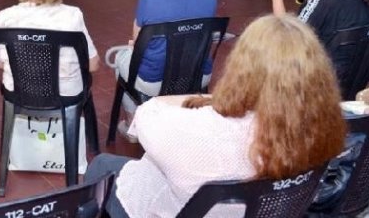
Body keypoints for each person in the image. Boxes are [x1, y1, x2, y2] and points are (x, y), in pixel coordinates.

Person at [85, 14, 347, 218]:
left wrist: (212, 99)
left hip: (178, 209)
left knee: (103, 165)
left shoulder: (201, 131)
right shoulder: (321, 131)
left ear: (241, 69)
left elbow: (145, 115)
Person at [109, 0, 216, 142]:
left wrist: (133, 45)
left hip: (154, 79)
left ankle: (133, 123)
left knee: (121, 57)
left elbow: (138, 40)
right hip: (197, 74)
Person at [0, 0, 99, 96]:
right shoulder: (72, 16)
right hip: (65, 96)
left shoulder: (4, 17)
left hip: (18, 94)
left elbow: (0, 64)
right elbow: (93, 65)